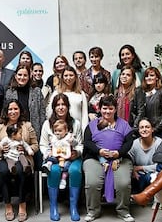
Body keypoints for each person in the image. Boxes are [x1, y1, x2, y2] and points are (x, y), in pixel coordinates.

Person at [83, 95, 135, 222]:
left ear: (115, 109)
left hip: (119, 159)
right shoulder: (92, 125)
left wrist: (118, 153)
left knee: (124, 183)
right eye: (104, 108)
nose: (107, 111)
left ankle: (123, 211)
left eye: (110, 108)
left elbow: (129, 142)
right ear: (100, 109)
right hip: (95, 158)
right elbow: (87, 142)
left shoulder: (124, 124)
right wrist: (99, 151)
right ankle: (93, 211)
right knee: (92, 183)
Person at [0, 99, 39, 222]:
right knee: (4, 172)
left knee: (22, 171)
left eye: (16, 108)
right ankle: (8, 204)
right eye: (10, 109)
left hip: (23, 158)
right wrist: (0, 150)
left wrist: (26, 149)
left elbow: (35, 145)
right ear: (6, 111)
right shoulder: (0, 126)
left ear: (20, 110)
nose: (13, 111)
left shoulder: (27, 126)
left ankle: (22, 204)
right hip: (4, 158)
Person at [40, 93, 83, 221]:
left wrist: (77, 153)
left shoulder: (76, 124)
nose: (61, 107)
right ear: (53, 107)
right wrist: (48, 153)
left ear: (68, 106)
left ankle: (73, 207)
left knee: (75, 171)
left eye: (63, 104)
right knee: (53, 170)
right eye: (58, 105)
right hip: (54, 158)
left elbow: (80, 144)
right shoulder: (47, 124)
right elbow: (42, 144)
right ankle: (53, 207)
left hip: (72, 157)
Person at [5, 65, 45, 140]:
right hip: (15, 131)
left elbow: (42, 114)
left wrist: (42, 132)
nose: (22, 77)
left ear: (29, 76)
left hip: (34, 131)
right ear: (15, 76)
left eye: (25, 75)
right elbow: (6, 113)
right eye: (20, 75)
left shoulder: (37, 91)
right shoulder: (9, 92)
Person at [47, 65, 88, 131]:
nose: (68, 78)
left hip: (77, 129)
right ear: (62, 77)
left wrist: (84, 131)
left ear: (75, 77)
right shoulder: (57, 92)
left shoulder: (81, 93)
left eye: (71, 75)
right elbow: (50, 112)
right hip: (59, 130)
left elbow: (84, 114)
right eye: (66, 75)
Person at [41, 119, 77, 190]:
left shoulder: (69, 137)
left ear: (66, 131)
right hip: (56, 157)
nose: (57, 133)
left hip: (66, 157)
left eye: (60, 131)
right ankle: (48, 165)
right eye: (55, 131)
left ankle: (63, 180)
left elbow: (76, 143)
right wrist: (50, 151)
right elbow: (50, 146)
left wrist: (72, 141)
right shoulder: (54, 138)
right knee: (50, 158)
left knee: (66, 167)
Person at [128, 118, 161, 194]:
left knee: (149, 177)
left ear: (152, 129)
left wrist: (140, 168)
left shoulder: (159, 143)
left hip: (154, 174)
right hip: (138, 175)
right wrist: (133, 170)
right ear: (139, 130)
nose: (144, 129)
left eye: (147, 127)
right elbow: (129, 162)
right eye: (141, 127)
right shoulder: (134, 144)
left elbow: (160, 166)